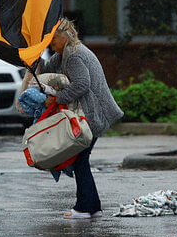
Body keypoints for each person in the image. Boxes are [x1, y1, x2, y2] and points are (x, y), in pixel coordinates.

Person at [36, 18, 124, 219]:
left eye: (53, 39)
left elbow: (82, 84)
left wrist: (56, 99)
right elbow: (47, 69)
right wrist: (33, 58)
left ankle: (86, 207)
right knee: (80, 159)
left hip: (93, 113)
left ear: (64, 36)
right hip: (88, 113)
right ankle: (91, 206)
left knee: (80, 159)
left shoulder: (74, 55)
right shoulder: (63, 54)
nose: (51, 43)